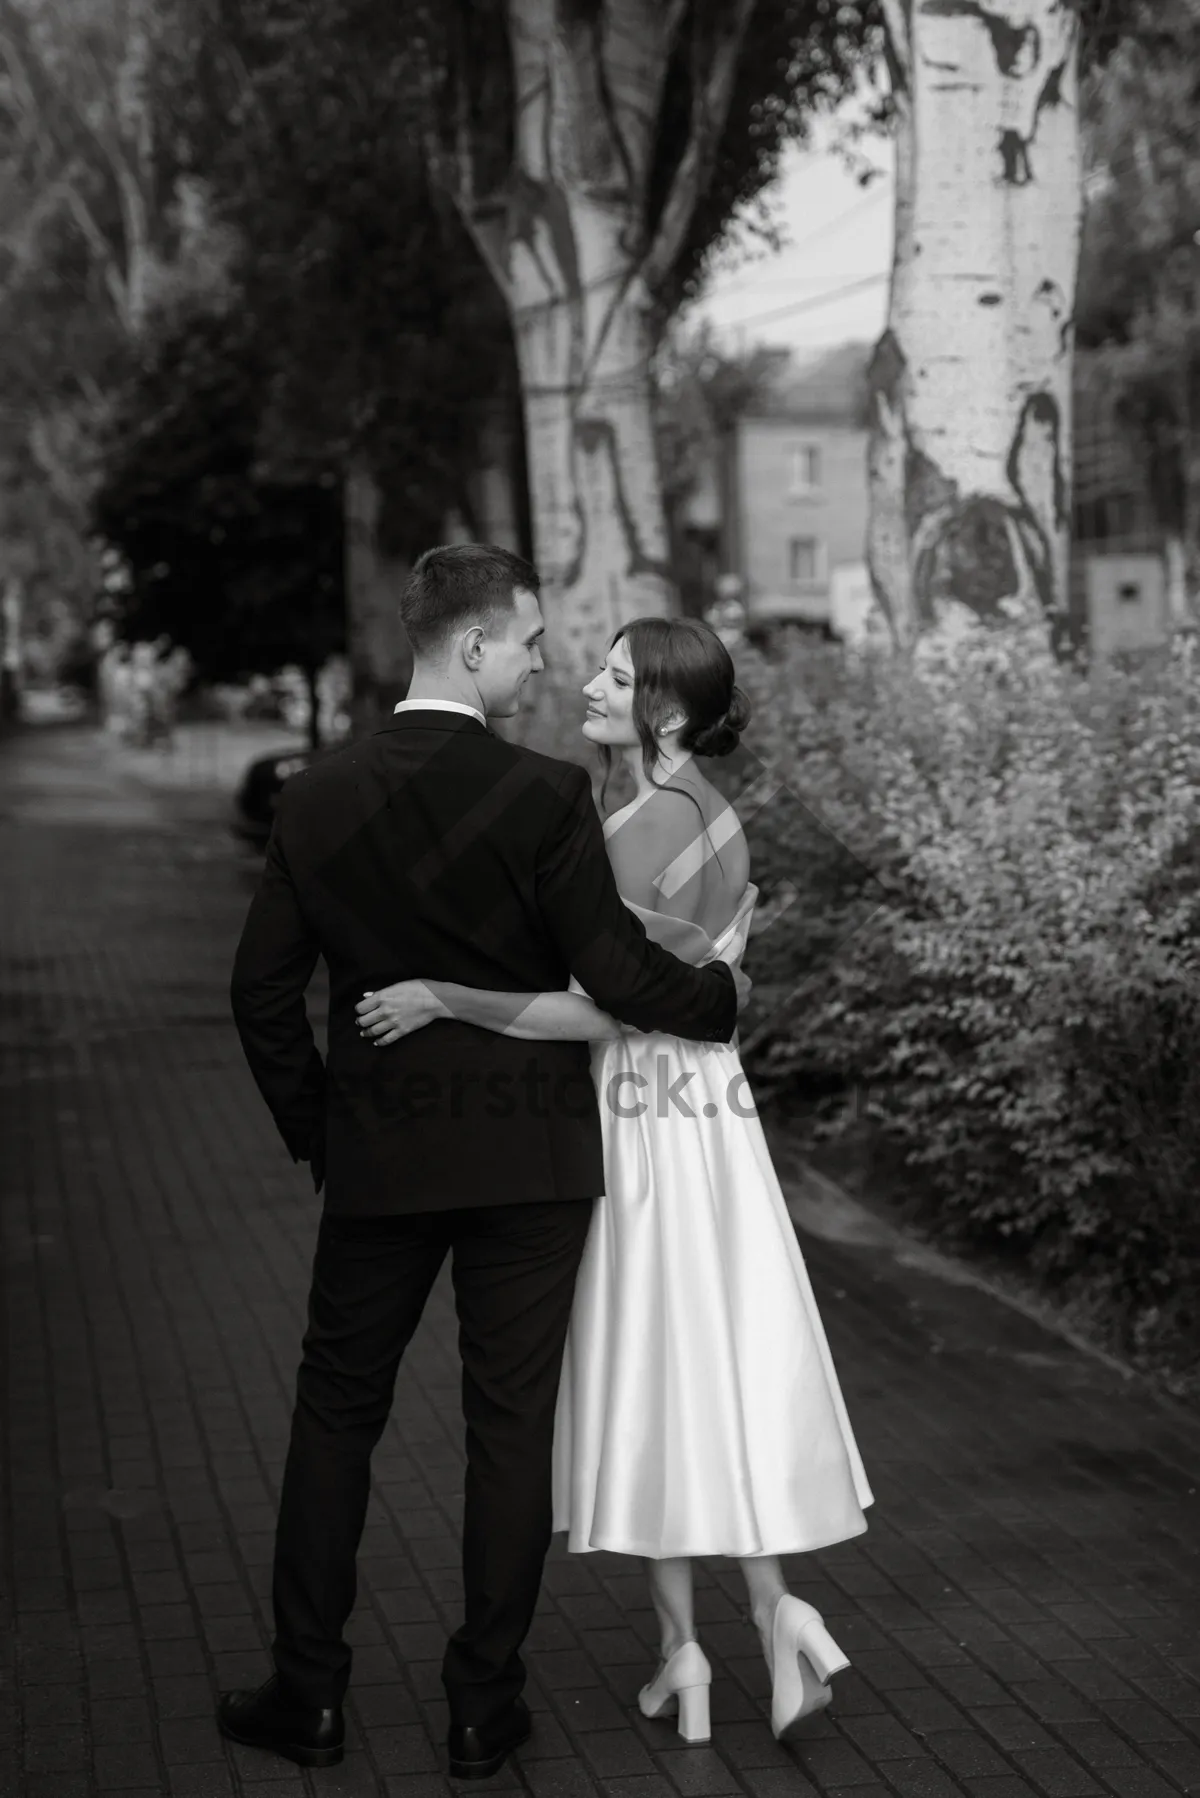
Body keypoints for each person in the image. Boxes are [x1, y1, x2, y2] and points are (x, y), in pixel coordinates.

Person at [224, 547, 741, 1779]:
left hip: (383, 1161)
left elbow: (257, 994)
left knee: (336, 1414)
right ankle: (480, 1707)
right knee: (510, 1431)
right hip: (531, 1161)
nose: (543, 660)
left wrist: (321, 1127)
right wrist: (719, 1000)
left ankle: (308, 1695)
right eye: (528, 640)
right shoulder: (546, 794)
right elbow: (616, 975)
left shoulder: (317, 794)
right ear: (472, 648)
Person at [356, 616, 874, 1748]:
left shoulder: (665, 824)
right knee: (687, 1362)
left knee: (655, 1359)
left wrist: (448, 996)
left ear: (671, 714)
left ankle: (727, 1632)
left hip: (650, 1115)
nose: (589, 683)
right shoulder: (653, 809)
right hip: (693, 1112)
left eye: (618, 676)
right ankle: (724, 1633)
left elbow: (608, 1005)